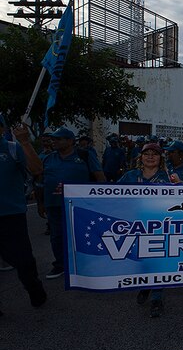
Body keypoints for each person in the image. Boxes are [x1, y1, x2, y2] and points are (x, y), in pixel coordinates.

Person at [41, 127, 106, 279]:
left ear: (70, 141)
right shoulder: (48, 158)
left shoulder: (84, 155)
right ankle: (60, 265)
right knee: (57, 236)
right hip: (54, 204)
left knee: (82, 234)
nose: (54, 141)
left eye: (58, 139)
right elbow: (40, 181)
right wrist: (41, 203)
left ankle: (86, 263)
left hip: (80, 205)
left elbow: (100, 177)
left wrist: (100, 200)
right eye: (53, 139)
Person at [0, 116, 47, 316]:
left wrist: (25, 142)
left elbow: (37, 169)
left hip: (11, 215)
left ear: (2, 128)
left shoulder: (12, 148)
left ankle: (35, 289)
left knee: (23, 261)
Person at [118, 142, 170, 317]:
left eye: (154, 154)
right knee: (140, 258)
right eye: (146, 154)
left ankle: (157, 296)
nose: (150, 157)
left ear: (160, 158)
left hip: (158, 226)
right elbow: (108, 193)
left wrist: (180, 184)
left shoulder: (167, 177)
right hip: (134, 226)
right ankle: (145, 285)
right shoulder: (130, 176)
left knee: (157, 260)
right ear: (140, 157)